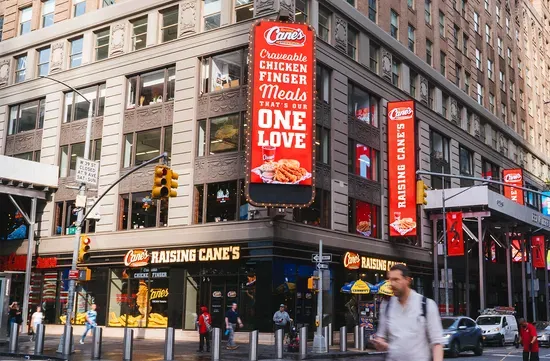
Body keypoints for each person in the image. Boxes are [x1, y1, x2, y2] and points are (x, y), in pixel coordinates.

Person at [372, 264, 444, 361]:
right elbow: (381, 337)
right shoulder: (387, 306)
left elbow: (437, 343)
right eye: (390, 280)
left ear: (408, 280)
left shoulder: (426, 305)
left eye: (396, 279)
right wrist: (380, 343)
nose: (392, 284)